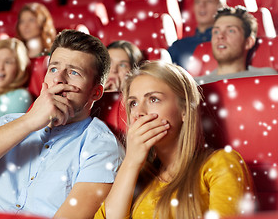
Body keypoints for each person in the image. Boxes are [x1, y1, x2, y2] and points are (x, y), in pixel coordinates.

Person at [0, 29, 125, 219]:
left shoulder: (101, 146)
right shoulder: (12, 123)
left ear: (96, 93)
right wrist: (29, 122)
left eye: (74, 72)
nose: (58, 79)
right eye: (54, 69)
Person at [94, 61, 255, 218]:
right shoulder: (133, 174)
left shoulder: (221, 164)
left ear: (184, 110)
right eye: (133, 103)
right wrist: (131, 162)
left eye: (153, 99)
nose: (138, 113)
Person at [195, 6, 278, 84]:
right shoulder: (194, 84)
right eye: (216, 32)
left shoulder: (266, 77)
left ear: (248, 42)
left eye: (231, 31)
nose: (220, 36)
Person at [167, 0, 227, 69]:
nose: (202, 5)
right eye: (198, 1)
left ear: (221, 7)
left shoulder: (229, 41)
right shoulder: (179, 46)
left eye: (209, 1)